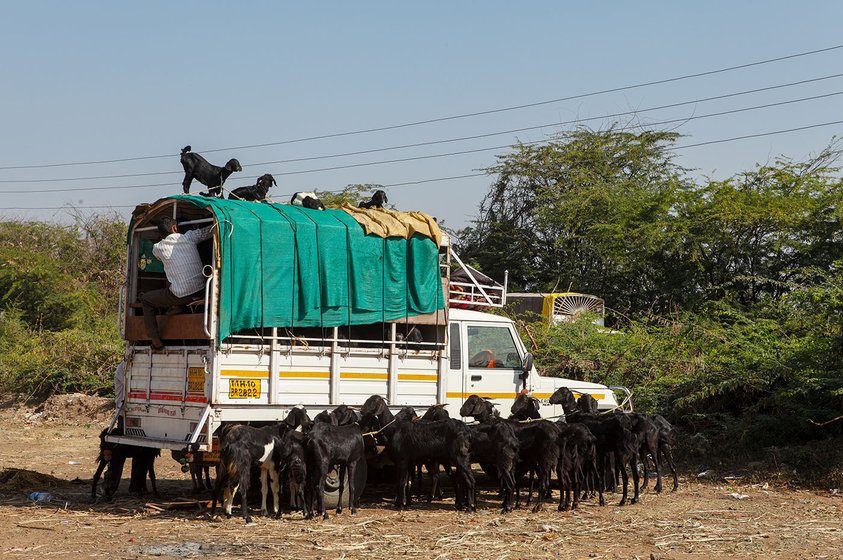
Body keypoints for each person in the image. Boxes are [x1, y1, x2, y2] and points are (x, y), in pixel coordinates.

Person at [140, 216, 214, 349]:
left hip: (180, 295)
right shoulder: (189, 237)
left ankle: (156, 341)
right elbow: (212, 230)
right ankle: (176, 307)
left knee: (146, 300)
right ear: (175, 228)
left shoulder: (158, 248)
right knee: (172, 275)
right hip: (202, 289)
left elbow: (158, 256)